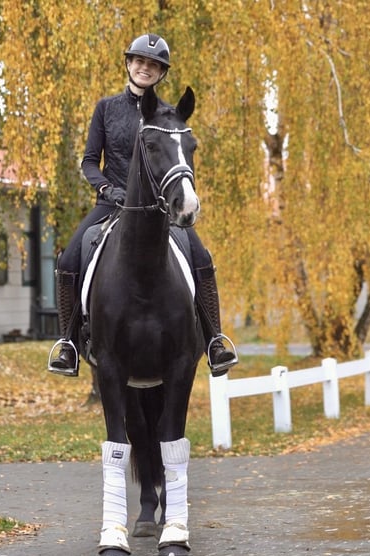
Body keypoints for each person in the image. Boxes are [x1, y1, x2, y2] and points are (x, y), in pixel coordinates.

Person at [48, 33, 237, 377]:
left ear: (161, 73)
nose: (144, 68)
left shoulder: (168, 115)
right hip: (111, 203)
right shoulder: (106, 108)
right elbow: (90, 161)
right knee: (70, 256)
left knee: (202, 257)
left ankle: (214, 341)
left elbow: (178, 161)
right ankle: (69, 343)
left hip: (158, 211)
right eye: (139, 61)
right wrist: (107, 188)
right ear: (128, 64)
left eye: (153, 65)